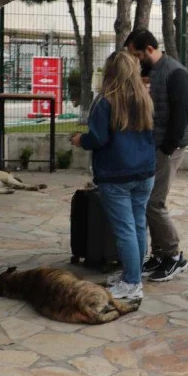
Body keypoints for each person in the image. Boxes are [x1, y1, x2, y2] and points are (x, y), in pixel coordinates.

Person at [72, 51, 156, 301]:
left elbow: (98, 138)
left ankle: (132, 282)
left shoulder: (104, 101)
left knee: (125, 229)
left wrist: (80, 140)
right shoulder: (144, 98)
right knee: (138, 224)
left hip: (116, 174)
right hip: (144, 172)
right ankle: (134, 274)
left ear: (110, 71)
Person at [124, 29, 188, 282]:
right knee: (148, 203)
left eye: (137, 54)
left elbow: (181, 114)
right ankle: (159, 254)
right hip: (153, 145)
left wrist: (167, 147)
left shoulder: (176, 73)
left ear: (149, 50)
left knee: (154, 202)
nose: (135, 59)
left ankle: (174, 256)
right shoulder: (149, 72)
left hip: (167, 147)